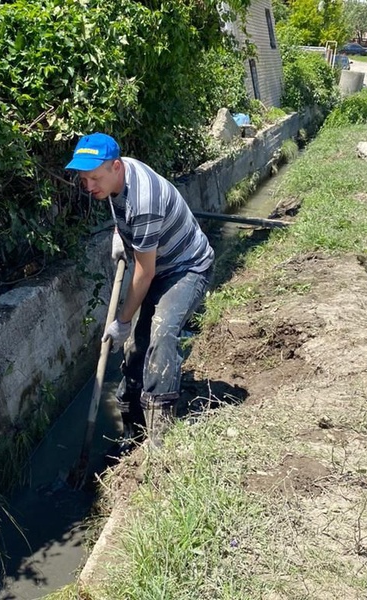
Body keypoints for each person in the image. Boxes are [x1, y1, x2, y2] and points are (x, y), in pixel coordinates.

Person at [65, 133, 214, 449]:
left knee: (161, 334)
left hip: (187, 267)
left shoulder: (143, 201)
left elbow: (143, 274)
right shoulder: (118, 177)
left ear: (115, 167)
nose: (89, 186)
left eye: (94, 178)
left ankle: (160, 436)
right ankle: (132, 435)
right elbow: (123, 214)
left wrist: (122, 321)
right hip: (159, 265)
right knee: (135, 349)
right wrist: (121, 235)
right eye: (83, 179)